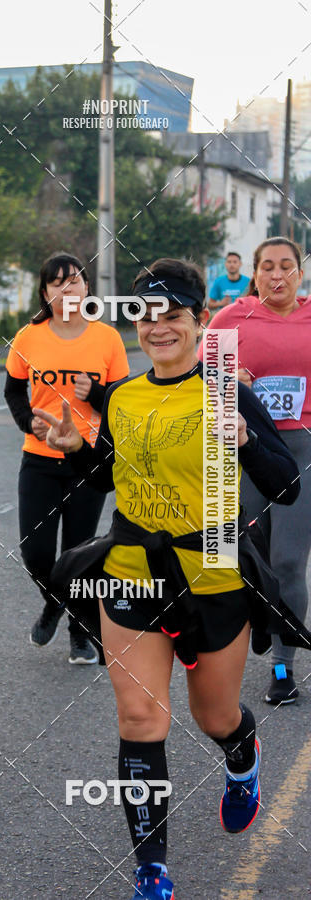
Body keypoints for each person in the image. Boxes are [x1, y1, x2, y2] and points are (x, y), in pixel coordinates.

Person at [35, 258, 301, 899]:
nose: (157, 329)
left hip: (213, 574)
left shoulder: (225, 392)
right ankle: (150, 870)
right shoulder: (121, 394)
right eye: (146, 317)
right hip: (130, 574)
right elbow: (113, 476)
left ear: (199, 322)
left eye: (172, 317)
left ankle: (242, 755)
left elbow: (285, 485)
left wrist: (243, 442)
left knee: (214, 717)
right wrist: (80, 449)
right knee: (140, 720)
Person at [4, 252, 129, 664]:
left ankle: (78, 632)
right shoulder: (28, 338)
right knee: (35, 553)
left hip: (87, 460)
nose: (67, 288)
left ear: (87, 287)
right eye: (56, 283)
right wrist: (28, 423)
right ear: (45, 293)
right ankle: (56, 604)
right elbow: (13, 390)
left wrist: (93, 393)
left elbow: (122, 401)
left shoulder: (107, 338)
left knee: (79, 553)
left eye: (74, 280)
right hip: (39, 458)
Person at [209, 236, 311, 705]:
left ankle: (283, 669)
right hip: (247, 449)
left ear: (300, 273)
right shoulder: (232, 318)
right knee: (237, 555)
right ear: (254, 273)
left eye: (286, 266)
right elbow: (203, 380)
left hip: (302, 449)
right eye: (267, 266)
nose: (277, 275)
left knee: (289, 560)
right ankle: (262, 615)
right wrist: (229, 381)